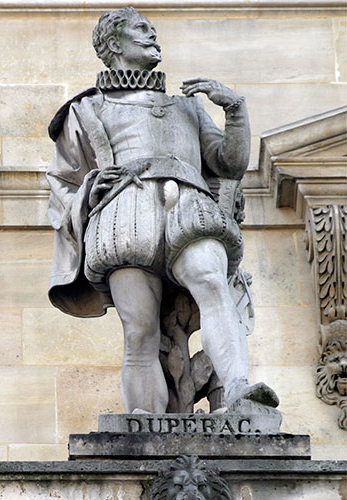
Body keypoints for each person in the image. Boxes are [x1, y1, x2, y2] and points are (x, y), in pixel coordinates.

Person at [47, 7, 279, 413]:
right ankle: (144, 424)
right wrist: (88, 190)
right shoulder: (87, 110)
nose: (153, 35)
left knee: (211, 280)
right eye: (142, 29)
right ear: (114, 44)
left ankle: (239, 388)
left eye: (153, 29)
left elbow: (228, 163)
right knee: (139, 330)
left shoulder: (186, 107)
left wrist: (235, 111)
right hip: (124, 216)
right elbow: (61, 185)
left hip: (189, 206)